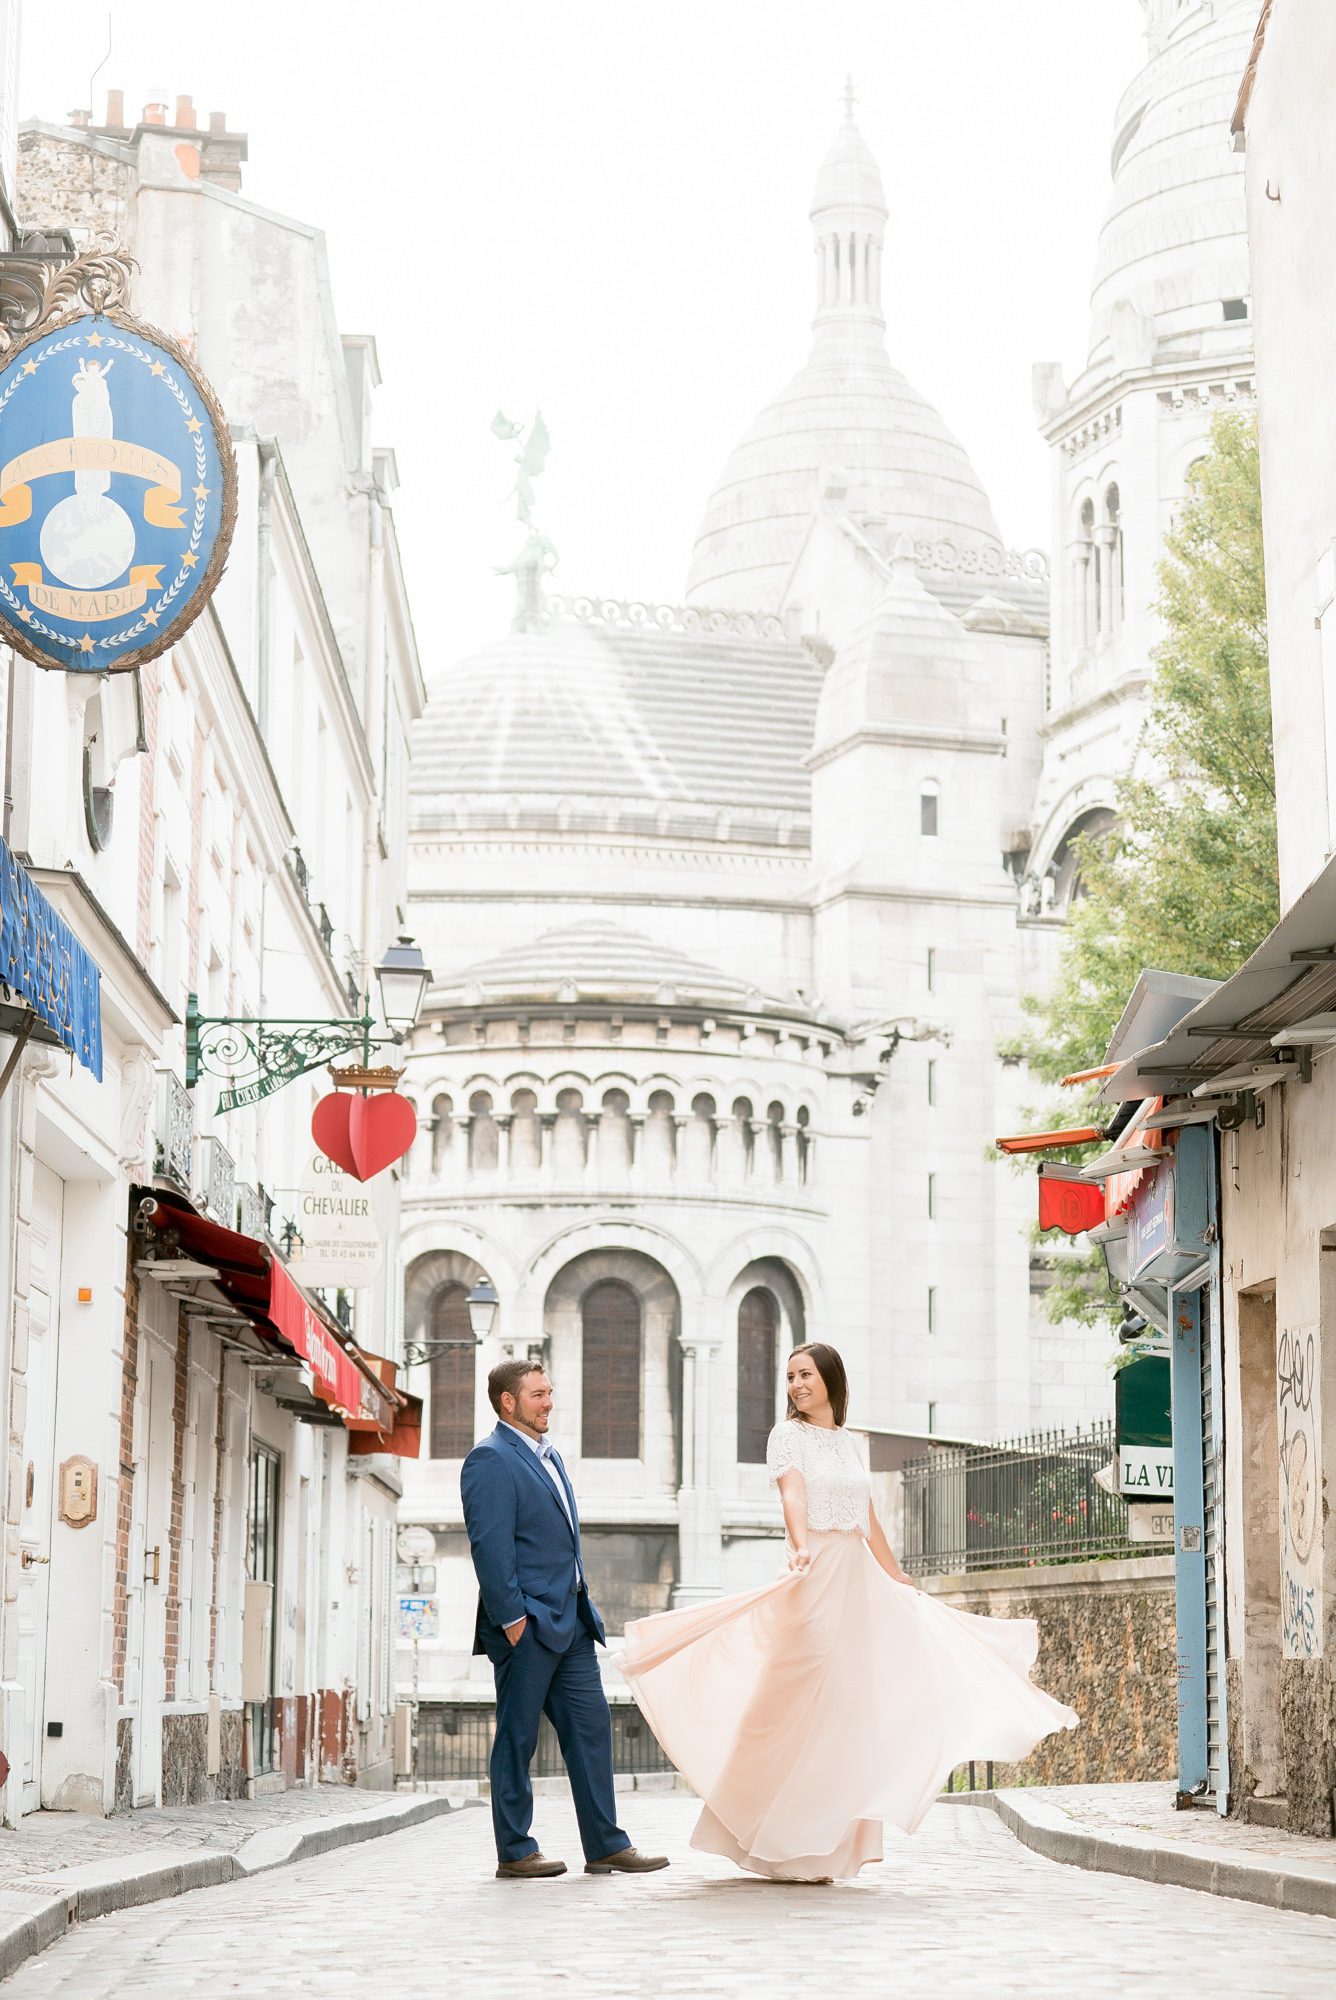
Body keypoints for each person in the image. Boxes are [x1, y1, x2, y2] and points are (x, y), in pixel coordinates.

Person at [620, 1342, 1078, 1883]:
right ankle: (770, 1836)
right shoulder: (787, 1436)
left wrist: (895, 1574)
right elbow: (793, 1495)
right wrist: (798, 1544)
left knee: (847, 1711)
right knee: (793, 1701)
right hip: (812, 1573)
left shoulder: (845, 1442)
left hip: (856, 1578)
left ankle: (825, 1850)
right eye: (790, 1377)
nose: (795, 1386)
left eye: (805, 1375)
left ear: (831, 1380)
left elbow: (867, 1516)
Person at [461, 1358, 669, 1880]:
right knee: (517, 1738)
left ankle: (605, 1845)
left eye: (549, 1392)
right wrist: (512, 1619)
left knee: (592, 1730)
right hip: (527, 1624)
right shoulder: (489, 1458)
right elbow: (490, 1547)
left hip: (572, 1622)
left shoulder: (547, 1455)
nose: (549, 1401)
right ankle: (515, 1850)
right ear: (508, 1402)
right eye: (538, 1394)